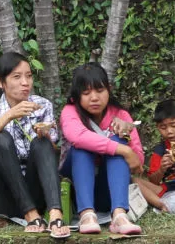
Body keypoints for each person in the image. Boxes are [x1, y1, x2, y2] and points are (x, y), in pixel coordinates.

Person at [0, 51, 70, 239]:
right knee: (0, 138)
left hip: (33, 192)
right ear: (0, 82)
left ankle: (55, 214)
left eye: (29, 76)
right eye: (17, 77)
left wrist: (45, 136)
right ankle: (31, 215)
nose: (25, 82)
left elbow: (52, 152)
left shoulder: (42, 105)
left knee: (41, 143)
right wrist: (8, 115)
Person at [59, 63, 143, 235]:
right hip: (77, 189)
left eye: (99, 90)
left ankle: (119, 216)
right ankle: (86, 214)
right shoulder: (70, 111)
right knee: (82, 148)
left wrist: (126, 135)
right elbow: (78, 137)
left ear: (108, 90)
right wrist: (123, 149)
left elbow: (137, 163)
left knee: (118, 141)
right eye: (86, 93)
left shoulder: (120, 115)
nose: (94, 98)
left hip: (108, 192)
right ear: (76, 96)